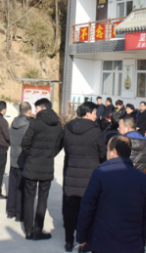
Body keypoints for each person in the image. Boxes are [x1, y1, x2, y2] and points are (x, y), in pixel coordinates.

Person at [76, 135, 146, 253]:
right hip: (132, 245)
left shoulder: (100, 174)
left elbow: (87, 209)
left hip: (102, 244)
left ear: (114, 152)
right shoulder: (143, 179)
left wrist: (82, 237)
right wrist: (141, 241)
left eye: (108, 150)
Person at [62, 101, 107, 252]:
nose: (96, 116)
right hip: (90, 177)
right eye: (95, 112)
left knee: (70, 210)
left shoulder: (68, 128)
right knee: (88, 211)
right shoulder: (96, 131)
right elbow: (102, 154)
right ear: (88, 113)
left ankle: (68, 241)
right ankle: (84, 243)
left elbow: (67, 150)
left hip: (72, 175)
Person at [22, 98, 64, 241]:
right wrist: (50, 155)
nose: (35, 111)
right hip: (47, 165)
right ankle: (38, 229)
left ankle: (28, 230)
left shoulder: (35, 123)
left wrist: (31, 155)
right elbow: (60, 145)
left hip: (32, 164)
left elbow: (25, 143)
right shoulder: (58, 125)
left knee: (28, 198)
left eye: (37, 108)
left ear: (43, 108)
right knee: (42, 199)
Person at [8, 102, 31, 221]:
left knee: (12, 186)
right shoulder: (28, 125)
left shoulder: (14, 122)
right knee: (21, 187)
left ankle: (10, 211)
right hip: (23, 159)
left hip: (13, 157)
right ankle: (19, 213)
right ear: (29, 111)